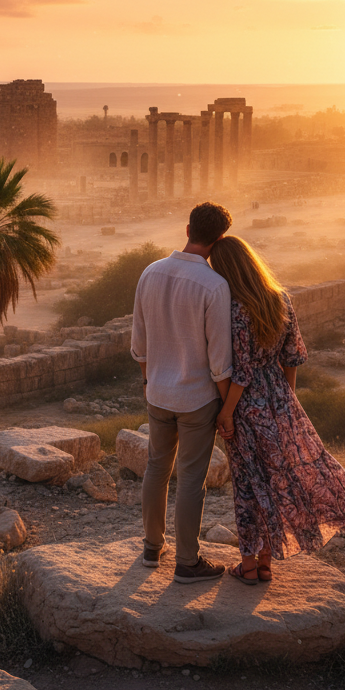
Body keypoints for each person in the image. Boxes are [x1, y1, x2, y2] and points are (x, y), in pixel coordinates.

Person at [209, 236, 345, 584]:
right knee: (275, 481)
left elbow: (241, 371)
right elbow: (293, 358)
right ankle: (266, 563)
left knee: (249, 485)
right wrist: (288, 401)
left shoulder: (236, 309)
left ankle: (249, 565)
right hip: (280, 398)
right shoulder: (279, 299)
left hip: (245, 404)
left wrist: (227, 412)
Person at [131, 202, 234, 584]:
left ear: (187, 229)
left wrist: (150, 380)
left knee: (157, 468)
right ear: (219, 240)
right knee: (191, 478)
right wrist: (227, 408)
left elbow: (139, 345)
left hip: (157, 392)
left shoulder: (150, 272)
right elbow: (220, 360)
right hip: (197, 398)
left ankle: (151, 546)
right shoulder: (214, 286)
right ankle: (187, 562)